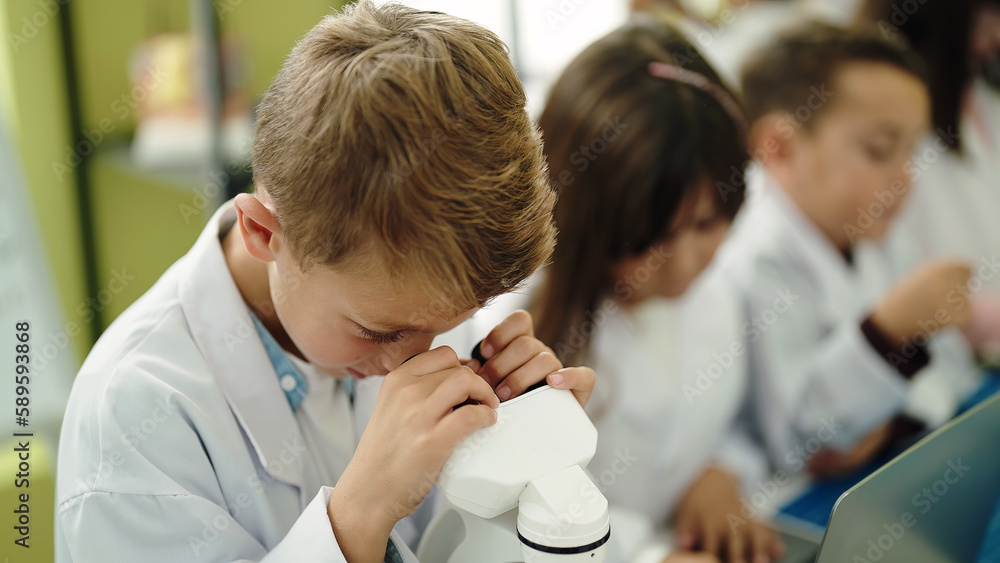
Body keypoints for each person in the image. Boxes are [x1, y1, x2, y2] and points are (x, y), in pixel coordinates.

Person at [55, 3, 596, 561]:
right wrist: (358, 515)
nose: (413, 362)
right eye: (379, 333)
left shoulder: (402, 300)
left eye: (446, 327)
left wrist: (523, 466)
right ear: (263, 233)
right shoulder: (133, 422)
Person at [533, 18, 783, 563]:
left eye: (708, 223)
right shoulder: (519, 336)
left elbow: (734, 426)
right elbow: (518, 515)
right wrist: (645, 555)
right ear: (581, 215)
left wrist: (719, 473)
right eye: (652, 239)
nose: (688, 263)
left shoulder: (718, 295)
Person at [710, 22, 981, 480]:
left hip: (890, 465)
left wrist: (893, 420)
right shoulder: (756, 258)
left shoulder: (876, 233)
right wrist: (888, 331)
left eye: (911, 152)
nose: (907, 177)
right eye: (880, 150)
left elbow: (954, 367)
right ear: (779, 149)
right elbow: (807, 444)